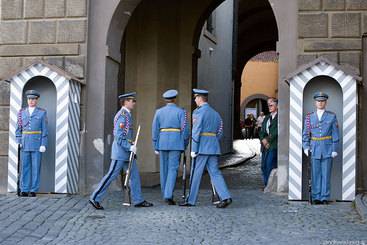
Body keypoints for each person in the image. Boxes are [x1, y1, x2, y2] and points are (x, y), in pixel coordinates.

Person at [89, 92, 153, 210]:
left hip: (127, 153)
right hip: (120, 152)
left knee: (134, 175)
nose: (134, 103)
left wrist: (131, 145)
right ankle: (95, 197)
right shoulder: (122, 115)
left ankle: (138, 199)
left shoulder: (127, 115)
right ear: (126, 101)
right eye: (132, 101)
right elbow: (119, 137)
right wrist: (129, 147)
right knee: (111, 175)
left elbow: (126, 136)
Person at [180, 89, 232, 208]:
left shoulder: (198, 112)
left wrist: (194, 148)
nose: (194, 100)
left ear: (199, 98)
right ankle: (225, 197)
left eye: (195, 98)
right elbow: (220, 132)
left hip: (201, 147)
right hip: (213, 147)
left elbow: (196, 130)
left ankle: (191, 200)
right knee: (215, 173)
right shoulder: (216, 113)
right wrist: (212, 142)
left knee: (195, 174)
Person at [152, 89, 189, 205]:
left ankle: (165, 193)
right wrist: (184, 144)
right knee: (172, 169)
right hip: (176, 142)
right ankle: (168, 195)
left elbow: (154, 130)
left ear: (166, 100)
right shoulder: (181, 112)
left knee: (164, 169)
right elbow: (185, 130)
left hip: (162, 142)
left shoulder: (158, 112)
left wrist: (155, 145)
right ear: (175, 99)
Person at [302, 92, 339, 205]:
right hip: (314, 149)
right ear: (315, 102)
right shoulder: (309, 117)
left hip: (327, 149)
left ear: (326, 102)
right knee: (315, 174)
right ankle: (316, 196)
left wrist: (334, 149)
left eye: (322, 101)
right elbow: (305, 134)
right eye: (318, 101)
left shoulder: (332, 116)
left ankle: (324, 197)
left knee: (326, 174)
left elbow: (335, 134)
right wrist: (306, 147)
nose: (320, 103)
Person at [16, 90, 48, 197]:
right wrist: (19, 141)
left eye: (33, 99)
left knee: (36, 167)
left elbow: (44, 130)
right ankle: (24, 189)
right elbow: (18, 130)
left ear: (37, 100)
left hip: (37, 143)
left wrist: (43, 144)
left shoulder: (42, 112)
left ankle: (33, 189)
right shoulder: (21, 112)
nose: (31, 101)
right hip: (25, 143)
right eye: (29, 99)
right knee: (25, 167)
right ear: (27, 100)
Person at [259, 98, 278, 188]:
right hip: (264, 145)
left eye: (271, 105)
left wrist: (267, 140)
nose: (269, 107)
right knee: (263, 166)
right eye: (268, 105)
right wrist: (263, 139)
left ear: (277, 106)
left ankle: (269, 185)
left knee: (270, 165)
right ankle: (266, 184)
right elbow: (262, 130)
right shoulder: (267, 117)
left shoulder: (279, 117)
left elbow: (276, 131)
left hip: (273, 144)